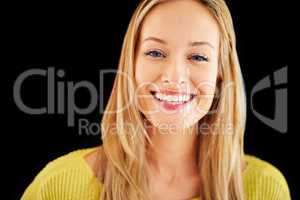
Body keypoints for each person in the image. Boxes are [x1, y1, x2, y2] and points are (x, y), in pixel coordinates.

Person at [21, 0, 291, 199]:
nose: (174, 77)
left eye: (198, 57)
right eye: (156, 53)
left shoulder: (265, 190)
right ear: (131, 64)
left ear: (221, 74)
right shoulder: (60, 186)